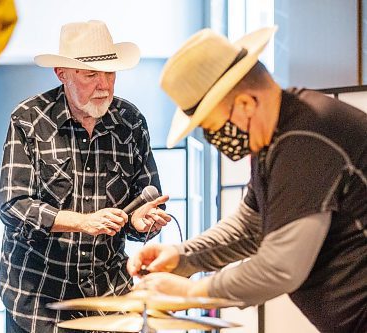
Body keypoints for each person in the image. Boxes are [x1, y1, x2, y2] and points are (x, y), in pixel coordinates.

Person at [127, 26, 367, 333]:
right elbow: (251, 227)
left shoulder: (307, 141)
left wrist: (189, 293)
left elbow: (281, 268)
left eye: (213, 127)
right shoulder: (277, 139)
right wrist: (183, 256)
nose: (215, 140)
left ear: (244, 104)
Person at [0, 20, 171, 333]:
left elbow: (145, 199)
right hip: (39, 299)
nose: (104, 85)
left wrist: (140, 221)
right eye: (91, 75)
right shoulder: (29, 119)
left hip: (109, 292)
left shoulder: (130, 123)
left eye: (110, 73)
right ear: (61, 74)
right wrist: (82, 222)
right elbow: (13, 206)